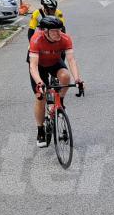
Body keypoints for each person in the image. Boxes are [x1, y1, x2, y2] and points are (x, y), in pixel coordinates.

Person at [29, 16, 84, 147]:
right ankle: (40, 130)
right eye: (54, 31)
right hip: (39, 66)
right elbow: (33, 66)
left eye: (59, 29)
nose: (58, 33)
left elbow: (71, 60)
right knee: (40, 97)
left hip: (54, 62)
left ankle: (60, 101)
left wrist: (77, 79)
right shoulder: (36, 39)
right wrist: (39, 83)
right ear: (45, 31)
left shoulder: (65, 38)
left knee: (65, 76)